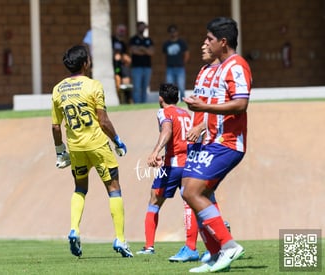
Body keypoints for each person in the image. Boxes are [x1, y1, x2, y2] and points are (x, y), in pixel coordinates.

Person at [181, 17, 252, 273]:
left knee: (192, 193)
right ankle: (215, 254)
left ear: (223, 42)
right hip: (211, 142)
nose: (206, 43)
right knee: (192, 191)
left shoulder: (236, 66)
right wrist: (201, 120)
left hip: (228, 144)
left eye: (210, 39)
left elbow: (241, 104)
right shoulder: (219, 67)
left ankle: (228, 246)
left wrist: (203, 108)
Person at [51, 45, 133, 258]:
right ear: (85, 63)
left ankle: (74, 229)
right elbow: (103, 120)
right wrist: (117, 140)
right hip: (97, 145)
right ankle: (120, 239)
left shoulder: (58, 89)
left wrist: (60, 151)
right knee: (114, 188)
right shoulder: (93, 86)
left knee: (80, 188)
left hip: (76, 147)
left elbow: (56, 126)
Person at [135, 83, 201, 262]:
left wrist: (156, 151)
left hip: (173, 165)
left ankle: (149, 246)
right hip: (191, 163)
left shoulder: (164, 112)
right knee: (192, 203)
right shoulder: (186, 114)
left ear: (160, 98)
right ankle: (196, 243)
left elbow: (167, 130)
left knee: (154, 200)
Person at [162, 24, 190, 100]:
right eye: (171, 32)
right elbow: (164, 56)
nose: (173, 33)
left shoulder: (181, 43)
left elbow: (187, 54)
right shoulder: (166, 44)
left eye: (174, 31)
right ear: (169, 33)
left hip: (180, 68)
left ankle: (183, 101)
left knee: (181, 87)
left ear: (177, 32)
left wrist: (182, 63)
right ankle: (170, 102)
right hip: (170, 68)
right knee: (169, 87)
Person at [129, 21, 154, 103]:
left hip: (147, 67)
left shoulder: (149, 40)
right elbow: (133, 51)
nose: (142, 28)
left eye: (143, 27)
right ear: (137, 27)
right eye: (140, 26)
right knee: (137, 87)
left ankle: (144, 103)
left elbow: (151, 52)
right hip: (136, 67)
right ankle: (137, 104)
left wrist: (141, 48)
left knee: (145, 87)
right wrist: (145, 50)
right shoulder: (133, 39)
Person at [112, 24, 133, 104]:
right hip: (114, 67)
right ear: (116, 30)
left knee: (126, 83)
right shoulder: (112, 40)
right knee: (117, 83)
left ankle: (128, 101)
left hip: (122, 67)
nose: (122, 33)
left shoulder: (124, 44)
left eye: (123, 31)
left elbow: (125, 55)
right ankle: (118, 101)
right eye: (120, 31)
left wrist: (124, 57)